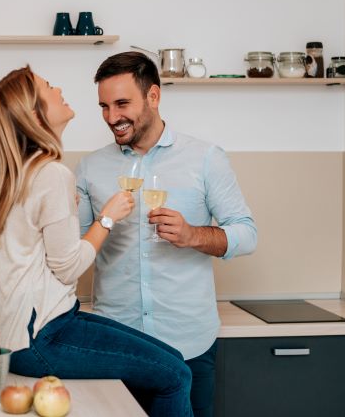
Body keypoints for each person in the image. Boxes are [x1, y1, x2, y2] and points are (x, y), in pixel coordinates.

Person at [0, 65, 194, 417]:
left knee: (171, 360)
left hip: (28, 333)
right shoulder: (50, 173)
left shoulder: (20, 173)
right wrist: (107, 217)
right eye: (48, 86)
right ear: (35, 113)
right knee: (176, 375)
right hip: (41, 338)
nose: (58, 88)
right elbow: (67, 268)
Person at [76, 51, 258, 417]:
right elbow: (75, 251)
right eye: (104, 107)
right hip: (118, 346)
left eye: (122, 103)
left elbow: (247, 233)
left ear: (154, 96)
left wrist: (193, 235)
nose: (112, 117)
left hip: (189, 345)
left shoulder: (206, 158)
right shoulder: (91, 168)